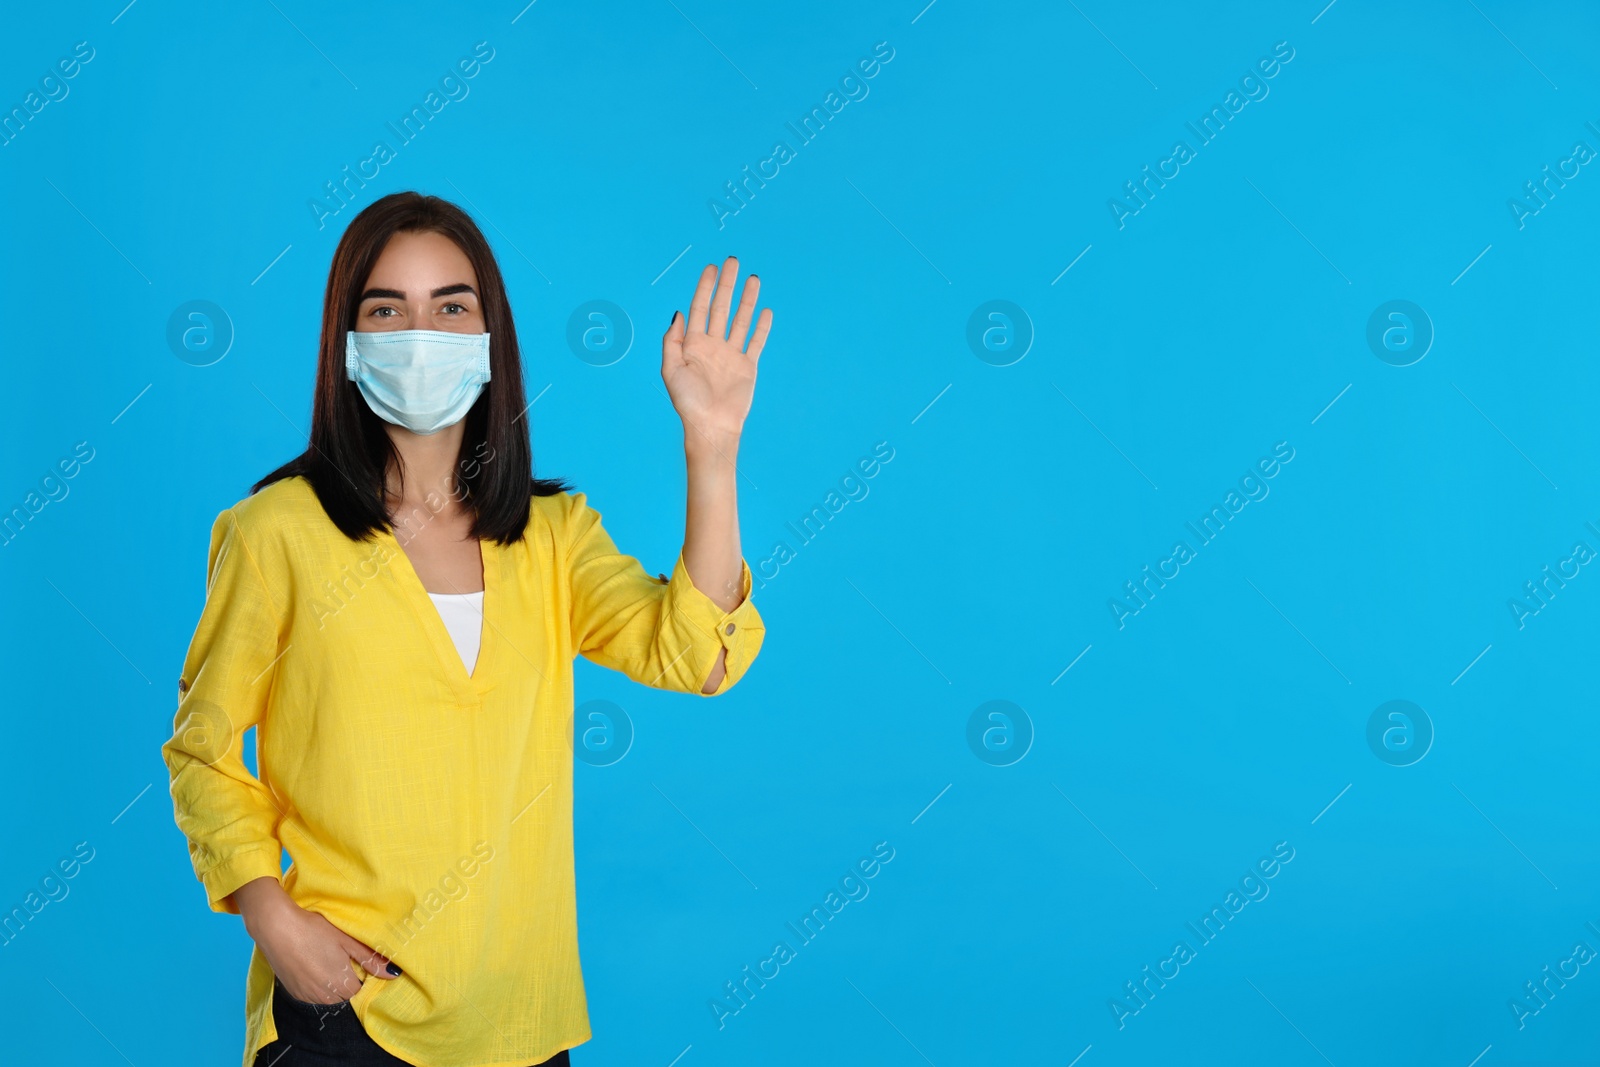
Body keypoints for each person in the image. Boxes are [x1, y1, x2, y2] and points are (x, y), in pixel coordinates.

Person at [160, 191, 771, 1066]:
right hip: (346, 1015)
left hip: (521, 1021)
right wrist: (269, 913)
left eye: (451, 305)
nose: (422, 333)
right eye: (388, 309)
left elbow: (698, 654)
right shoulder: (274, 536)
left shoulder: (555, 539)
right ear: (348, 340)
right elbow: (201, 746)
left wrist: (712, 448)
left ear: (491, 338)